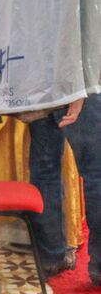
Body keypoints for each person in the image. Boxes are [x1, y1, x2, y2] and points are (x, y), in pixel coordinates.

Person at [28, 93, 101, 285]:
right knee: (96, 173)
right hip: (80, 89)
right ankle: (99, 266)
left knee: (45, 170)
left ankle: (50, 256)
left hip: (41, 91)